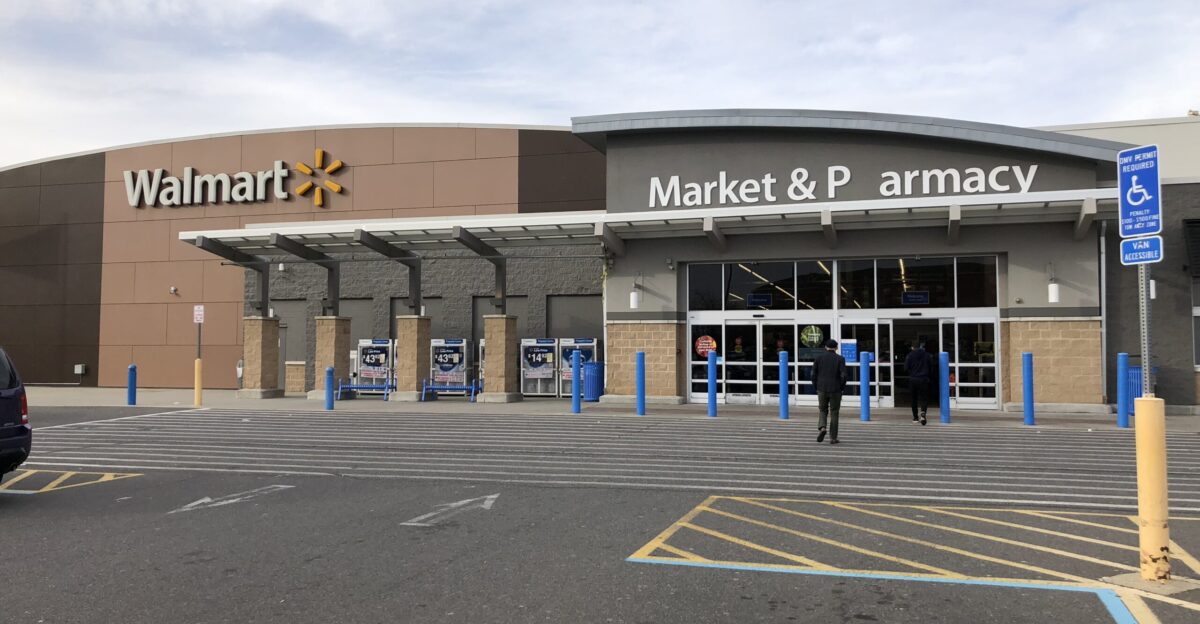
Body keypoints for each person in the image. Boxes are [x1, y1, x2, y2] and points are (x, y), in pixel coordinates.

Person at [812, 339, 847, 444]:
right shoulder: (840, 359)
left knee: (822, 410)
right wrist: (841, 387)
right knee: (834, 412)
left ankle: (822, 427)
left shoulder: (818, 358)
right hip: (836, 389)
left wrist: (816, 386)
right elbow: (843, 375)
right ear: (836, 348)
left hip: (821, 388)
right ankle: (833, 437)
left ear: (825, 347)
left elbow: (813, 374)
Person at [905, 341, 932, 425]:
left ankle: (915, 417)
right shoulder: (927, 355)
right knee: (924, 398)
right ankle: (923, 413)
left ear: (912, 347)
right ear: (920, 346)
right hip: (923, 379)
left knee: (914, 399)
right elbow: (930, 368)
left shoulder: (909, 355)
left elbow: (906, 368)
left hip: (913, 379)